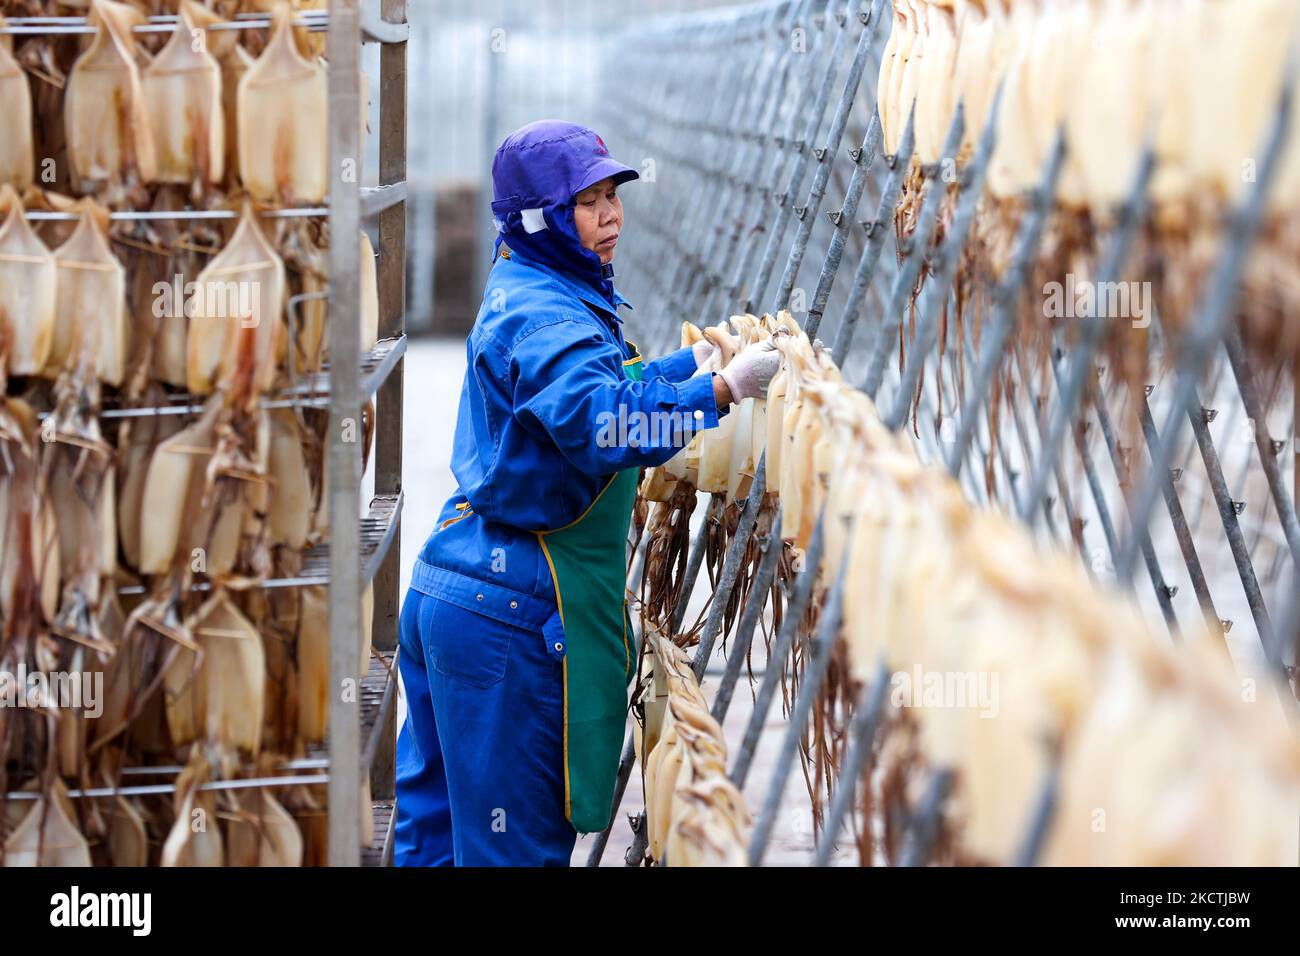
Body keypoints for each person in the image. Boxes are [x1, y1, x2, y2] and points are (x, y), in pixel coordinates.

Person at [393, 120, 781, 866]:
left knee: (435, 842)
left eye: (612, 196)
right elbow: (601, 423)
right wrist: (721, 391)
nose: (612, 217)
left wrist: (678, 370)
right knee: (515, 851)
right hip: (509, 615)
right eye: (588, 202)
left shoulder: (532, 287)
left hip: (455, 585)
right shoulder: (548, 317)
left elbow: (576, 396)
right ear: (538, 219)